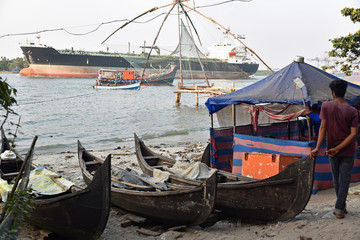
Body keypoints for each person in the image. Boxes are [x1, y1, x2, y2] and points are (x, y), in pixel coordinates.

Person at [310, 79, 358, 219]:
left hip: (331, 150)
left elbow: (322, 128)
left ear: (333, 93)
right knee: (344, 180)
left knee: (337, 180)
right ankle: (341, 207)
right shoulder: (352, 110)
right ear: (344, 92)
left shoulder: (326, 106)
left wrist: (317, 148)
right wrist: (339, 148)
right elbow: (353, 134)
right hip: (347, 151)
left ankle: (338, 208)